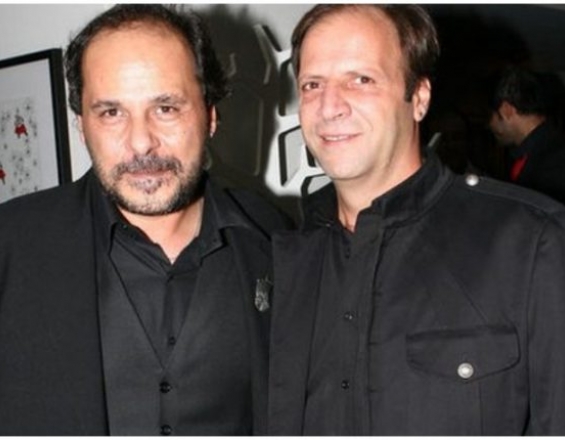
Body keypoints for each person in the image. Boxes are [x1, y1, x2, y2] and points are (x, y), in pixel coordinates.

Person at [268, 4, 565, 435]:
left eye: (361, 79)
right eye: (313, 84)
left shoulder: (531, 243)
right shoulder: (281, 259)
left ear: (420, 98)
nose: (329, 106)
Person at [0, 5, 289, 435]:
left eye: (166, 108)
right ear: (82, 125)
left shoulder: (275, 238)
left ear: (210, 116)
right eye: (111, 113)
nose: (140, 143)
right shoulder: (11, 244)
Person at [489, 66, 565, 204]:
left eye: (491, 116)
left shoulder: (551, 164)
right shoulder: (543, 150)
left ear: (506, 110)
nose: (489, 125)